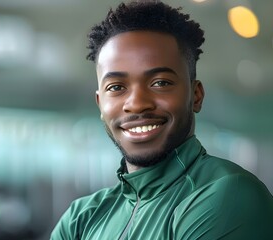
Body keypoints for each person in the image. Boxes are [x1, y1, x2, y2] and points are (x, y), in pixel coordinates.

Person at [50, 1, 273, 239]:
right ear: (100, 105)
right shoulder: (81, 218)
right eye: (116, 87)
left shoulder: (229, 195)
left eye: (160, 83)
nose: (136, 103)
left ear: (196, 96)